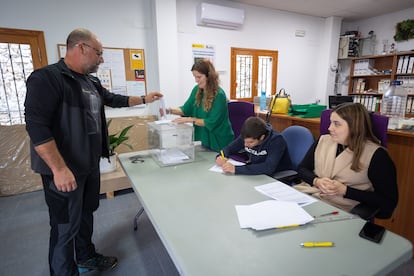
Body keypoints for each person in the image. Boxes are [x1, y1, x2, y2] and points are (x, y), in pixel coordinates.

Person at [24, 28, 163, 276]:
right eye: (98, 53)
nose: (101, 59)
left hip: (88, 166)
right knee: (64, 226)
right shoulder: (48, 78)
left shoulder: (91, 82)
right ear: (81, 48)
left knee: (86, 214)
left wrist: (145, 98)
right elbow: (37, 127)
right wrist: (59, 169)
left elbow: (113, 99)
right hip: (65, 170)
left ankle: (86, 256)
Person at [296, 103, 398, 218]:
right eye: (330, 122)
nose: (330, 128)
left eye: (336, 124)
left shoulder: (377, 155)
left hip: (340, 210)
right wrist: (316, 181)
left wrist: (345, 190)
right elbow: (302, 169)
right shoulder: (324, 140)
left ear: (355, 126)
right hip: (307, 197)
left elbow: (388, 202)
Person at [164, 59, 234, 151]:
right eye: (194, 77)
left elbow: (211, 122)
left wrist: (188, 119)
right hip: (204, 139)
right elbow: (186, 109)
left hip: (219, 140)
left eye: (199, 77)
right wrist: (169, 110)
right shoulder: (196, 90)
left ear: (209, 76)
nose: (196, 80)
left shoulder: (219, 95)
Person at [215, 116, 292, 176]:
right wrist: (220, 156)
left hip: (275, 177)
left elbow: (268, 167)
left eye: (250, 142)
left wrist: (236, 169)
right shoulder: (247, 135)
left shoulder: (276, 141)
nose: (245, 145)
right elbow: (229, 148)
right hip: (255, 173)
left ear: (262, 137)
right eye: (244, 141)